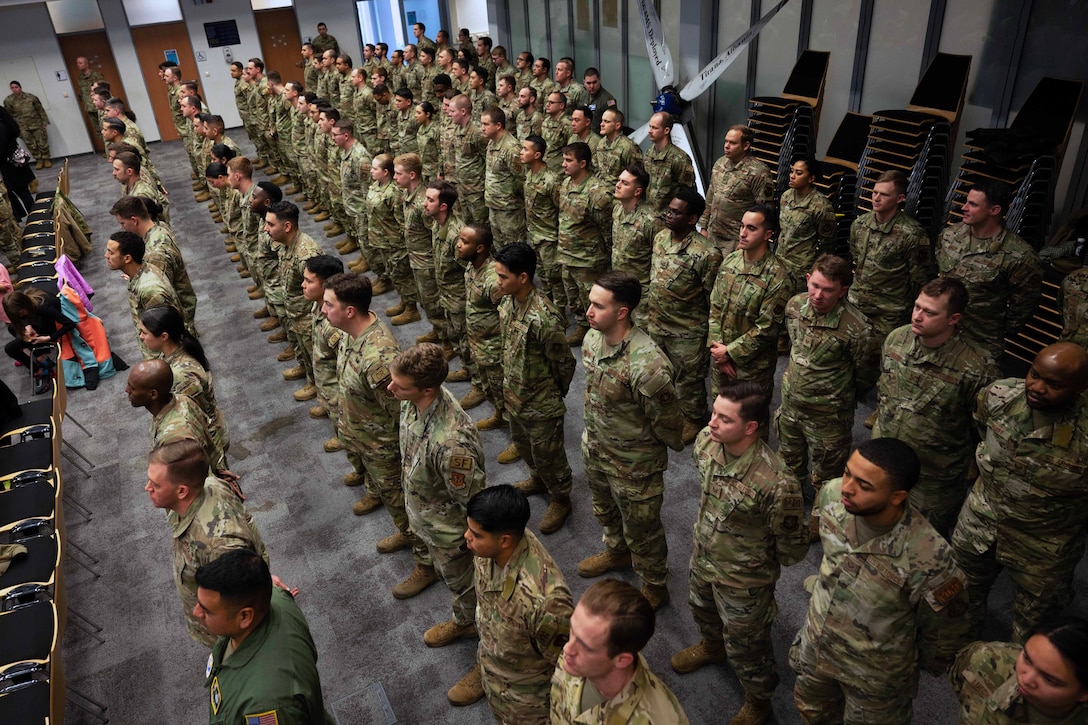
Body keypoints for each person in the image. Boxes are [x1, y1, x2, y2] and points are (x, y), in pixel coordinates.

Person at [790, 438, 970, 724]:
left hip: (874, 677)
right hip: (818, 645)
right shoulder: (834, 495)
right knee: (813, 713)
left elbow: (942, 635)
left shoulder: (931, 558)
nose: (847, 487)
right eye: (848, 473)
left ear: (897, 496)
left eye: (864, 485)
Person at [672, 381, 808, 725]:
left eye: (724, 419)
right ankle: (711, 647)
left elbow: (792, 550)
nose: (712, 422)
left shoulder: (777, 483)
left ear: (751, 427)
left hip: (745, 581)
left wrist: (754, 563)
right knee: (702, 610)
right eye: (714, 413)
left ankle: (759, 700)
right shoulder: (706, 442)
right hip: (703, 555)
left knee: (748, 647)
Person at [950, 342, 1088, 644]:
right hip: (981, 521)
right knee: (961, 595)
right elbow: (979, 426)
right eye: (1034, 374)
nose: (1037, 387)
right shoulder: (1000, 396)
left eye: (1054, 384)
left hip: (1043, 545)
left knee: (1035, 628)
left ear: (1080, 388)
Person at [579, 271, 683, 610]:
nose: (588, 311)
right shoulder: (593, 340)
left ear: (622, 312)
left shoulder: (648, 364)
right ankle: (617, 552)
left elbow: (668, 422)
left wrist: (645, 454)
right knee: (605, 510)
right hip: (596, 447)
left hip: (634, 464)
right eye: (590, 302)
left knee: (643, 528)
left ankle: (654, 584)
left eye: (598, 306)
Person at [873, 278, 999, 534]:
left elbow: (983, 430)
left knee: (922, 547)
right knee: (876, 531)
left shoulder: (976, 368)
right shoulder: (897, 339)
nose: (918, 316)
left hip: (933, 478)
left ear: (953, 319)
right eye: (917, 307)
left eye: (929, 312)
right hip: (885, 460)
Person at [322, 273, 423, 579]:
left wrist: (404, 455)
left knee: (402, 501)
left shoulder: (378, 356)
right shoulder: (351, 335)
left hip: (385, 447)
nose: (322, 310)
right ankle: (407, 534)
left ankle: (426, 562)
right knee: (390, 497)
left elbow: (402, 412)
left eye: (328, 305)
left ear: (349, 311)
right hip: (366, 438)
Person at [387, 343, 485, 656]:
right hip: (426, 514)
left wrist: (467, 541)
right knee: (448, 576)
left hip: (449, 532)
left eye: (399, 386)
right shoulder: (412, 400)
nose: (390, 389)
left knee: (464, 584)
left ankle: (470, 623)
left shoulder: (451, 443)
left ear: (427, 389)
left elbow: (474, 502)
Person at [775, 254, 871, 537]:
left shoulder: (857, 328)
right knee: (788, 464)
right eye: (814, 285)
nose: (818, 295)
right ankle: (785, 509)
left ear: (843, 291)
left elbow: (864, 373)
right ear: (807, 279)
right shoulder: (794, 306)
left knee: (826, 476)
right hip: (791, 406)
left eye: (828, 290)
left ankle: (820, 521)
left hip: (828, 417)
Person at [457, 484, 574, 715]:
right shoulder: (488, 551)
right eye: (469, 528)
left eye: (476, 534)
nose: (466, 537)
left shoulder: (546, 603)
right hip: (496, 664)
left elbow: (565, 663)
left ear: (505, 541)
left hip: (527, 699)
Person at [145, 439, 266, 647]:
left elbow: (238, 608)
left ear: (182, 491)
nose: (147, 488)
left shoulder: (216, 545)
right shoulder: (208, 484)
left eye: (155, 485)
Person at [197, 550, 334, 724]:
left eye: (206, 610)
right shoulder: (276, 598)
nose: (196, 612)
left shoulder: (266, 705)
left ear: (245, 617)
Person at [494, 242, 576, 533]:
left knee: (549, 455)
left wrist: (553, 395)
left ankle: (561, 497)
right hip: (515, 395)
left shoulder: (544, 317)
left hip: (542, 402)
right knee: (525, 445)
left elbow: (564, 364)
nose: (498, 282)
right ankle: (538, 479)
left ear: (523, 278)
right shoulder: (507, 301)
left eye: (503, 276)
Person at [643, 188, 723, 444]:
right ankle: (670, 412)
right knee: (661, 373)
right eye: (669, 209)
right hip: (657, 322)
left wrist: (711, 338)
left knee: (689, 381)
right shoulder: (660, 238)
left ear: (692, 219)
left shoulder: (707, 254)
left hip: (687, 331)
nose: (669, 215)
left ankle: (695, 418)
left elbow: (714, 299)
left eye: (676, 212)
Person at [550, 578, 690, 723]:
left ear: (622, 660)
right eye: (572, 630)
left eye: (585, 647)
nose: (567, 648)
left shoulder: (658, 719)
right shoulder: (577, 657)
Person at [847, 170, 933, 397]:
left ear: (900, 199)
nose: (876, 198)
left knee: (888, 360)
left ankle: (884, 403)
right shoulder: (860, 224)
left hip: (890, 309)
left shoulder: (912, 234)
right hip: (857, 302)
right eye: (874, 192)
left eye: (883, 195)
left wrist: (906, 307)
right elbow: (856, 257)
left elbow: (919, 278)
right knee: (853, 352)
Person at [936, 179, 1043, 361]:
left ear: (994, 210)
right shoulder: (949, 236)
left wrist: (1001, 329)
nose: (964, 208)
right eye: (966, 201)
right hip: (940, 331)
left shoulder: (1019, 255)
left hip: (980, 341)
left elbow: (1024, 304)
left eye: (973, 204)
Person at [707, 203, 791, 396]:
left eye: (751, 228)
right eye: (742, 226)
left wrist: (730, 353)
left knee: (750, 420)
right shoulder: (731, 260)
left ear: (768, 235)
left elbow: (766, 328)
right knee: (720, 414)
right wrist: (718, 349)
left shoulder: (777, 276)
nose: (743, 233)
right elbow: (715, 306)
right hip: (720, 355)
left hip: (752, 367)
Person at [139, 305, 230, 476]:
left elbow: (195, 420)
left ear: (164, 336)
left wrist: (217, 467)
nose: (141, 336)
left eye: (145, 332)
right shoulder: (173, 353)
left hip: (205, 444)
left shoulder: (181, 376)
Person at [950, 616, 1088, 724]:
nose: (1026, 680)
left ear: (1084, 692)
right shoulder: (989, 659)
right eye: (1027, 659)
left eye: (1049, 679)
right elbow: (958, 679)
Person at [111, 195, 196, 333]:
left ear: (134, 220)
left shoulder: (154, 254)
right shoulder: (160, 228)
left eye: (122, 223)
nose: (122, 228)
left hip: (178, 316)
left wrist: (137, 273)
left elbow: (161, 295)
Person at [557, 142, 613, 346]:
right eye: (563, 159)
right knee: (574, 298)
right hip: (567, 254)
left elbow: (607, 229)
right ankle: (582, 327)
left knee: (593, 299)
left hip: (588, 260)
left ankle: (599, 336)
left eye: (568, 160)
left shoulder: (597, 193)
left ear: (583, 163)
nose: (564, 164)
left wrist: (604, 257)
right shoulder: (565, 184)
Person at [104, 230, 185, 360]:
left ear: (127, 258)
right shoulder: (139, 273)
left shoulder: (149, 289)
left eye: (111, 252)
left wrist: (158, 366)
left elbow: (165, 334)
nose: (106, 255)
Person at [457, 223, 505, 429]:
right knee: (491, 389)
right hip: (479, 343)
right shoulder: (471, 266)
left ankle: (517, 436)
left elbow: (508, 314)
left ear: (480, 248)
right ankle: (499, 415)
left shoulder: (493, 280)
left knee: (504, 391)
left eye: (465, 242)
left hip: (495, 349)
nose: (458, 245)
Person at [700, 125, 771, 254]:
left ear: (745, 146)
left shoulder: (758, 172)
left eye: (732, 143)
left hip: (735, 239)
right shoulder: (720, 163)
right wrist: (703, 227)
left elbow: (764, 211)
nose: (726, 146)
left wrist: (747, 241)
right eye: (726, 141)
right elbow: (711, 196)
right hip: (712, 234)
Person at [777, 156, 837, 296]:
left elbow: (827, 243)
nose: (792, 176)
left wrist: (816, 269)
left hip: (801, 269)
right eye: (792, 171)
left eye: (798, 173)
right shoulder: (786, 197)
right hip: (780, 262)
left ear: (811, 178)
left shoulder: (821, 206)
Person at [521, 135, 562, 304]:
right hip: (534, 234)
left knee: (555, 278)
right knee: (543, 275)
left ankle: (560, 313)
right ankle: (548, 305)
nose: (521, 152)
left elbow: (561, 209)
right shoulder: (529, 174)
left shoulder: (551, 180)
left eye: (525, 149)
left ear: (537, 155)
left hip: (549, 237)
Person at [482, 106, 526, 249]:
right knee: (499, 249)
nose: (482, 128)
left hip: (509, 210)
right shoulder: (492, 142)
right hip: (494, 205)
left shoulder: (511, 148)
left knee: (513, 250)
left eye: (486, 124)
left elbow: (521, 179)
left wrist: (514, 201)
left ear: (498, 125)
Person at [610, 164, 656, 293]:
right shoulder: (618, 210)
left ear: (637, 191)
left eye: (625, 183)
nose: (618, 185)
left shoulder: (650, 221)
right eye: (619, 180)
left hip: (640, 291)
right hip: (619, 285)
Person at [643, 112, 695, 217]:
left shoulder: (679, 158)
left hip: (668, 217)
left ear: (666, 130)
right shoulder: (649, 153)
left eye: (655, 128)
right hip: (648, 214)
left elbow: (688, 193)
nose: (650, 131)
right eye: (650, 127)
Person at [4, 82, 49, 168]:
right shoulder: (9, 101)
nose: (14, 89)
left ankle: (46, 159)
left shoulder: (31, 97)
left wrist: (44, 122)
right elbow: (8, 115)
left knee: (42, 142)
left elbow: (40, 110)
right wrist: (13, 128)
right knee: (30, 144)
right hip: (22, 126)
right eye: (12, 88)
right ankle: (39, 160)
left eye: (16, 87)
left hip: (36, 124)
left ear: (20, 87)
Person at [595, 108, 642, 188]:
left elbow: (636, 176)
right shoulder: (601, 142)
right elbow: (596, 168)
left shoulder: (629, 147)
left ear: (617, 125)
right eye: (602, 121)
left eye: (606, 121)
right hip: (601, 189)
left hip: (619, 192)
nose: (601, 124)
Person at [1059, 266, 1088, 348]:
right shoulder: (1075, 277)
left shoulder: (1076, 276)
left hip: (1067, 345)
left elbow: (1061, 307)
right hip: (1068, 348)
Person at [582, 67, 616, 132]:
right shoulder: (583, 95)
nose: (592, 86)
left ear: (599, 80)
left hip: (600, 137)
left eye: (594, 82)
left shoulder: (608, 99)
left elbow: (612, 123)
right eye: (588, 83)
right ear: (584, 82)